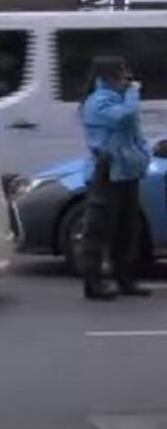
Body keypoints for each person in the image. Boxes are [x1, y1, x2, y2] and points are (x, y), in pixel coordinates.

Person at [79, 56, 152, 301]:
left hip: (126, 172)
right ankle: (93, 282)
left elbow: (133, 134)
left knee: (126, 230)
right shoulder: (97, 102)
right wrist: (133, 93)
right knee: (99, 230)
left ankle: (125, 279)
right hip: (106, 172)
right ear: (108, 77)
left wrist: (142, 155)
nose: (127, 79)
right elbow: (124, 118)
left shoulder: (118, 99)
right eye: (123, 75)